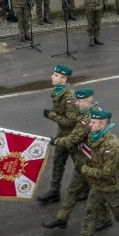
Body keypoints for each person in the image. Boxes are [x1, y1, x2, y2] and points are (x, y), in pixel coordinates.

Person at [57, 108, 119, 236]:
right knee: (90, 215)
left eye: (93, 122)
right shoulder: (94, 137)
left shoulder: (112, 146)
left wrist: (84, 169)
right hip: (98, 186)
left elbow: (107, 173)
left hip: (113, 187)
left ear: (103, 124)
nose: (90, 124)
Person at [42, 88, 114, 231]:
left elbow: (72, 139)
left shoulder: (89, 119)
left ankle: (106, 219)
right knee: (72, 190)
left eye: (79, 101)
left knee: (97, 192)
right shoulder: (88, 112)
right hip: (84, 160)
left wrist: (54, 141)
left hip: (92, 161)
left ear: (88, 102)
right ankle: (62, 218)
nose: (76, 104)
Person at [37, 65, 79, 204]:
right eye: (53, 74)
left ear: (64, 78)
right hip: (62, 134)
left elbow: (71, 122)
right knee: (58, 162)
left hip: (72, 136)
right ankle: (54, 191)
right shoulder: (58, 91)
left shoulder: (70, 97)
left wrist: (51, 115)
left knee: (80, 165)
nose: (52, 77)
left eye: (55, 75)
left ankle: (89, 188)